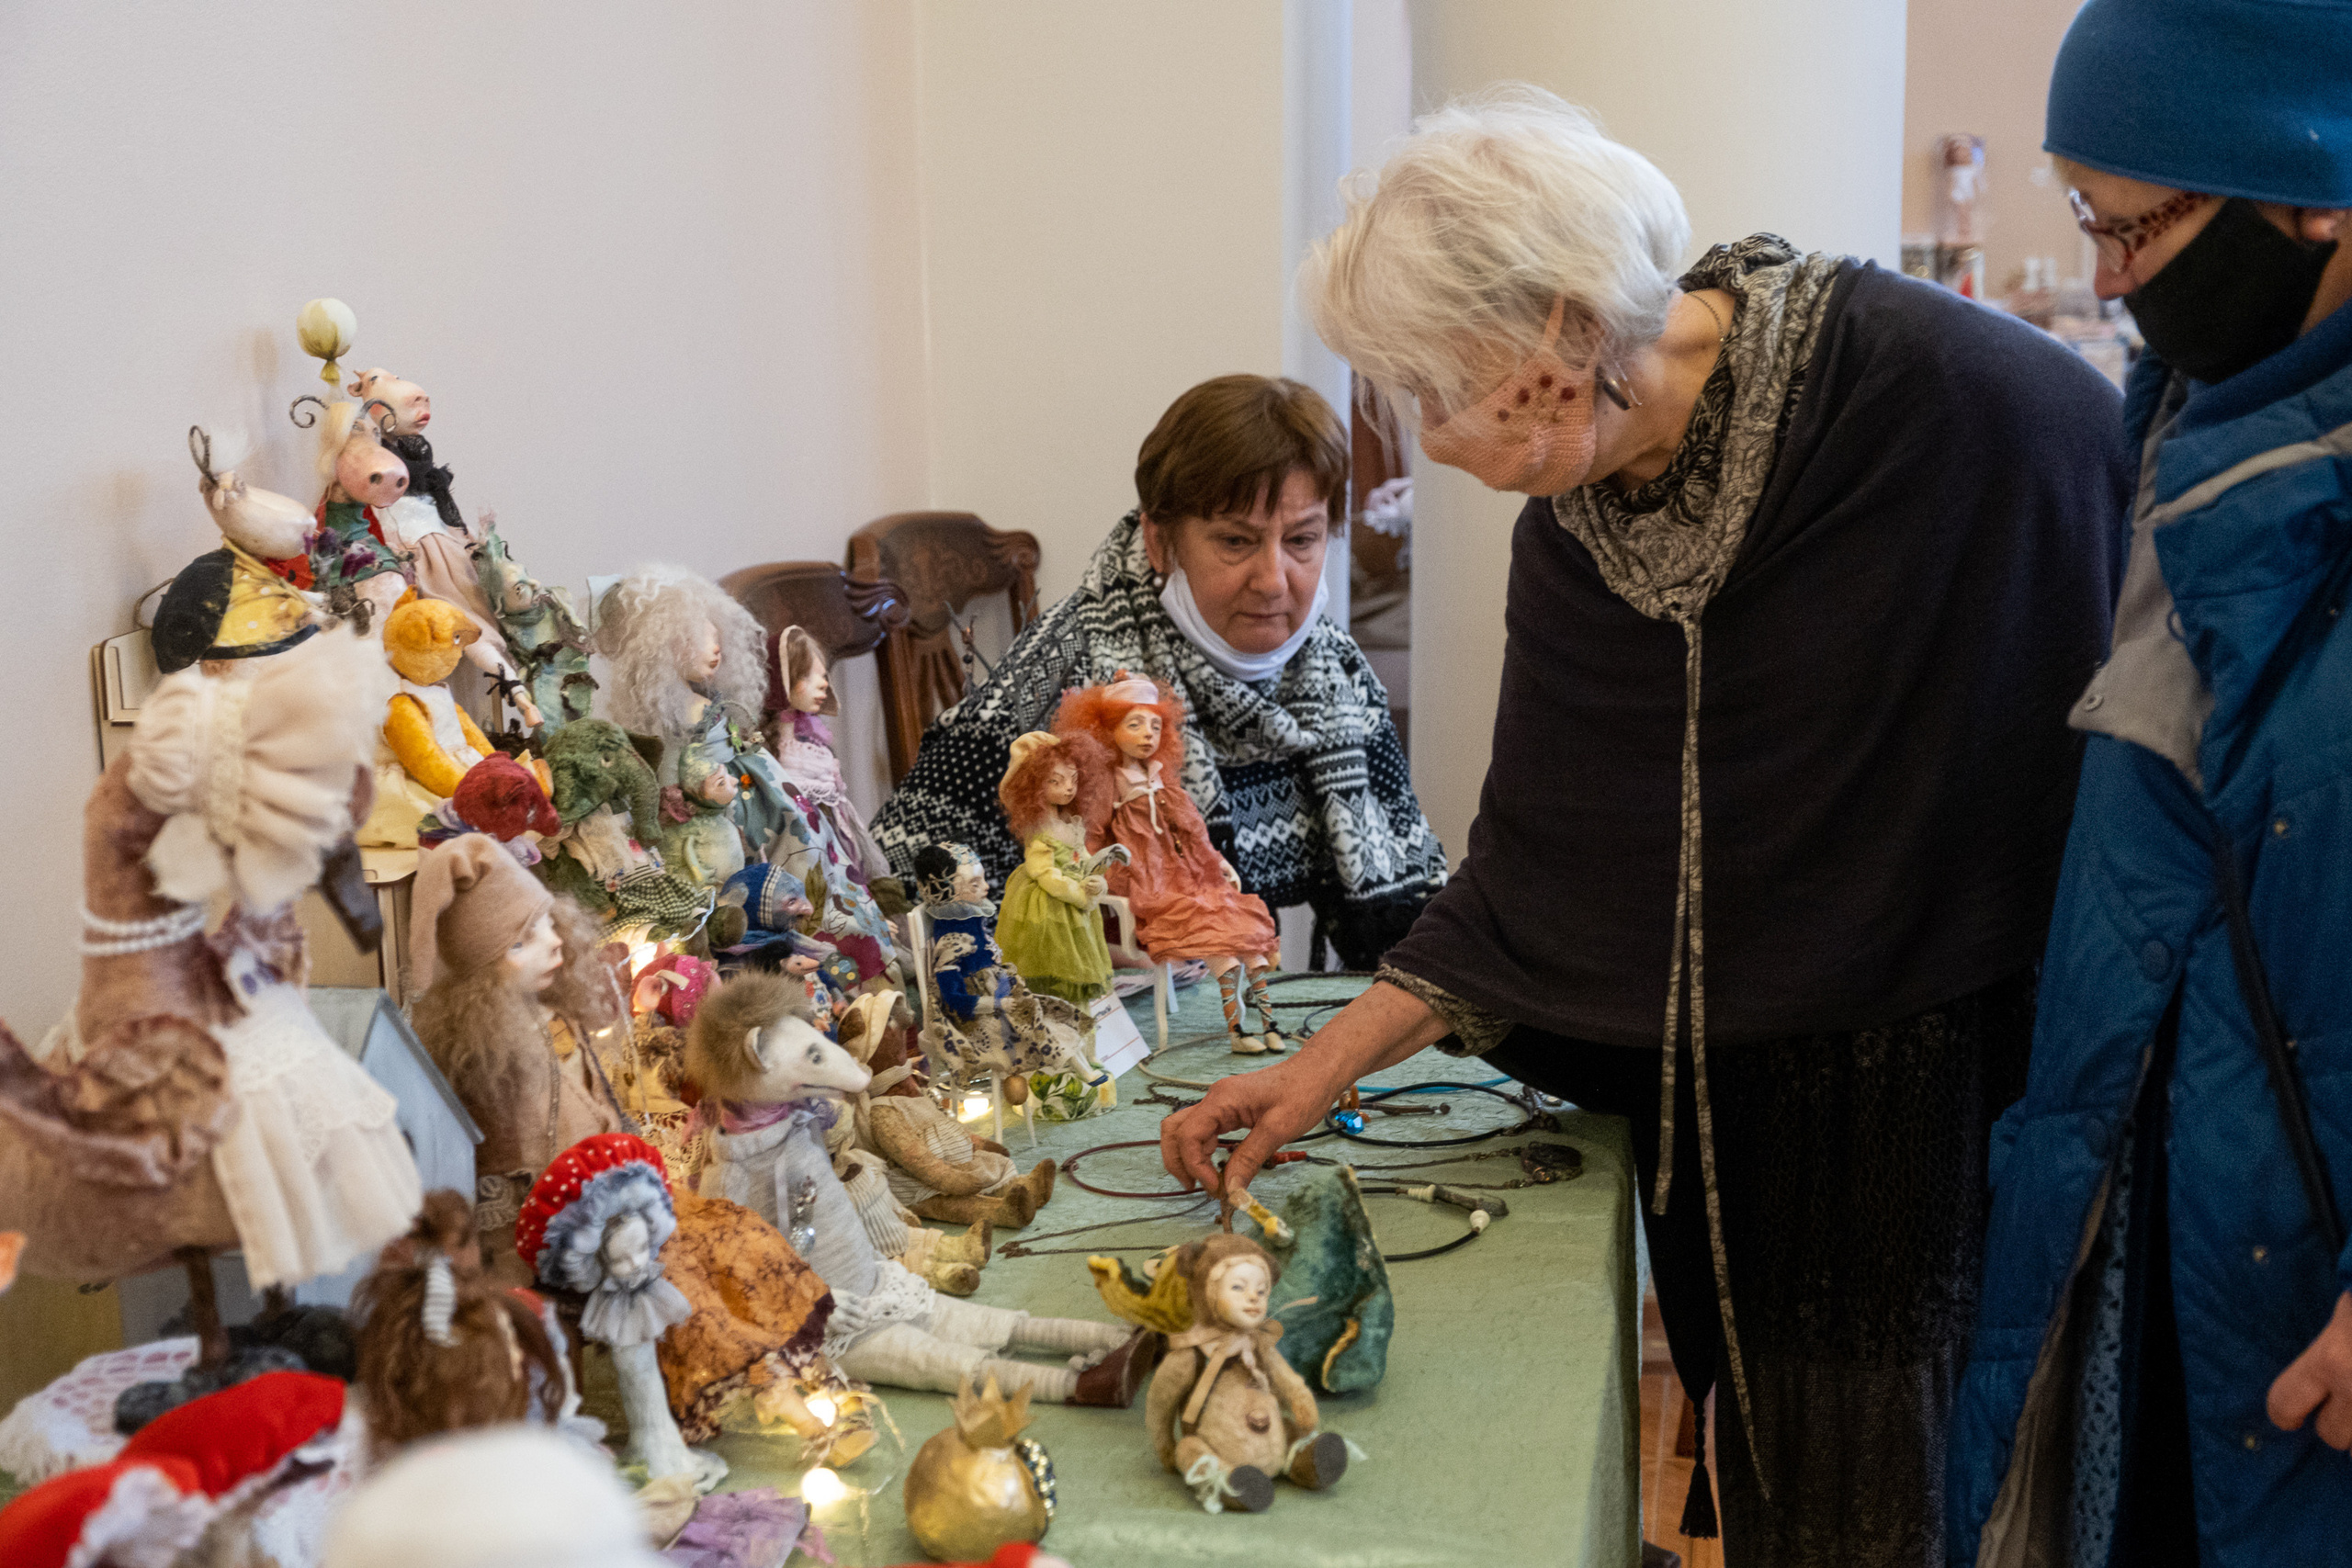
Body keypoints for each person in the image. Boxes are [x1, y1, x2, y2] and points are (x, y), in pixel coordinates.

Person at [1159, 86, 2132, 1565]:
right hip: (1734, 1122)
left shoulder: (1948, 394)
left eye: (1435, 388)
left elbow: (2120, 668)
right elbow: (1540, 870)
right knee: (1785, 1485)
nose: (1426, 441)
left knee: (1933, 1490)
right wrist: (1312, 1072)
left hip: (1941, 1072)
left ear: (1554, 337)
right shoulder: (1579, 530)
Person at [1946, 4, 2352, 1564]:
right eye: (2085, 223)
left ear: (2311, 186)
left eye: (2141, 225)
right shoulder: (2181, 435)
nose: (2109, 277)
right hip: (2160, 1220)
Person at [868, 375, 1447, 968]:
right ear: (1158, 540)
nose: (1275, 579)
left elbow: (1421, 908)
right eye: (1235, 540)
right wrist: (1047, 940)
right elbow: (898, 881)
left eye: (1302, 539)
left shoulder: (1338, 679)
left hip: (1233, 1003)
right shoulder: (1065, 667)